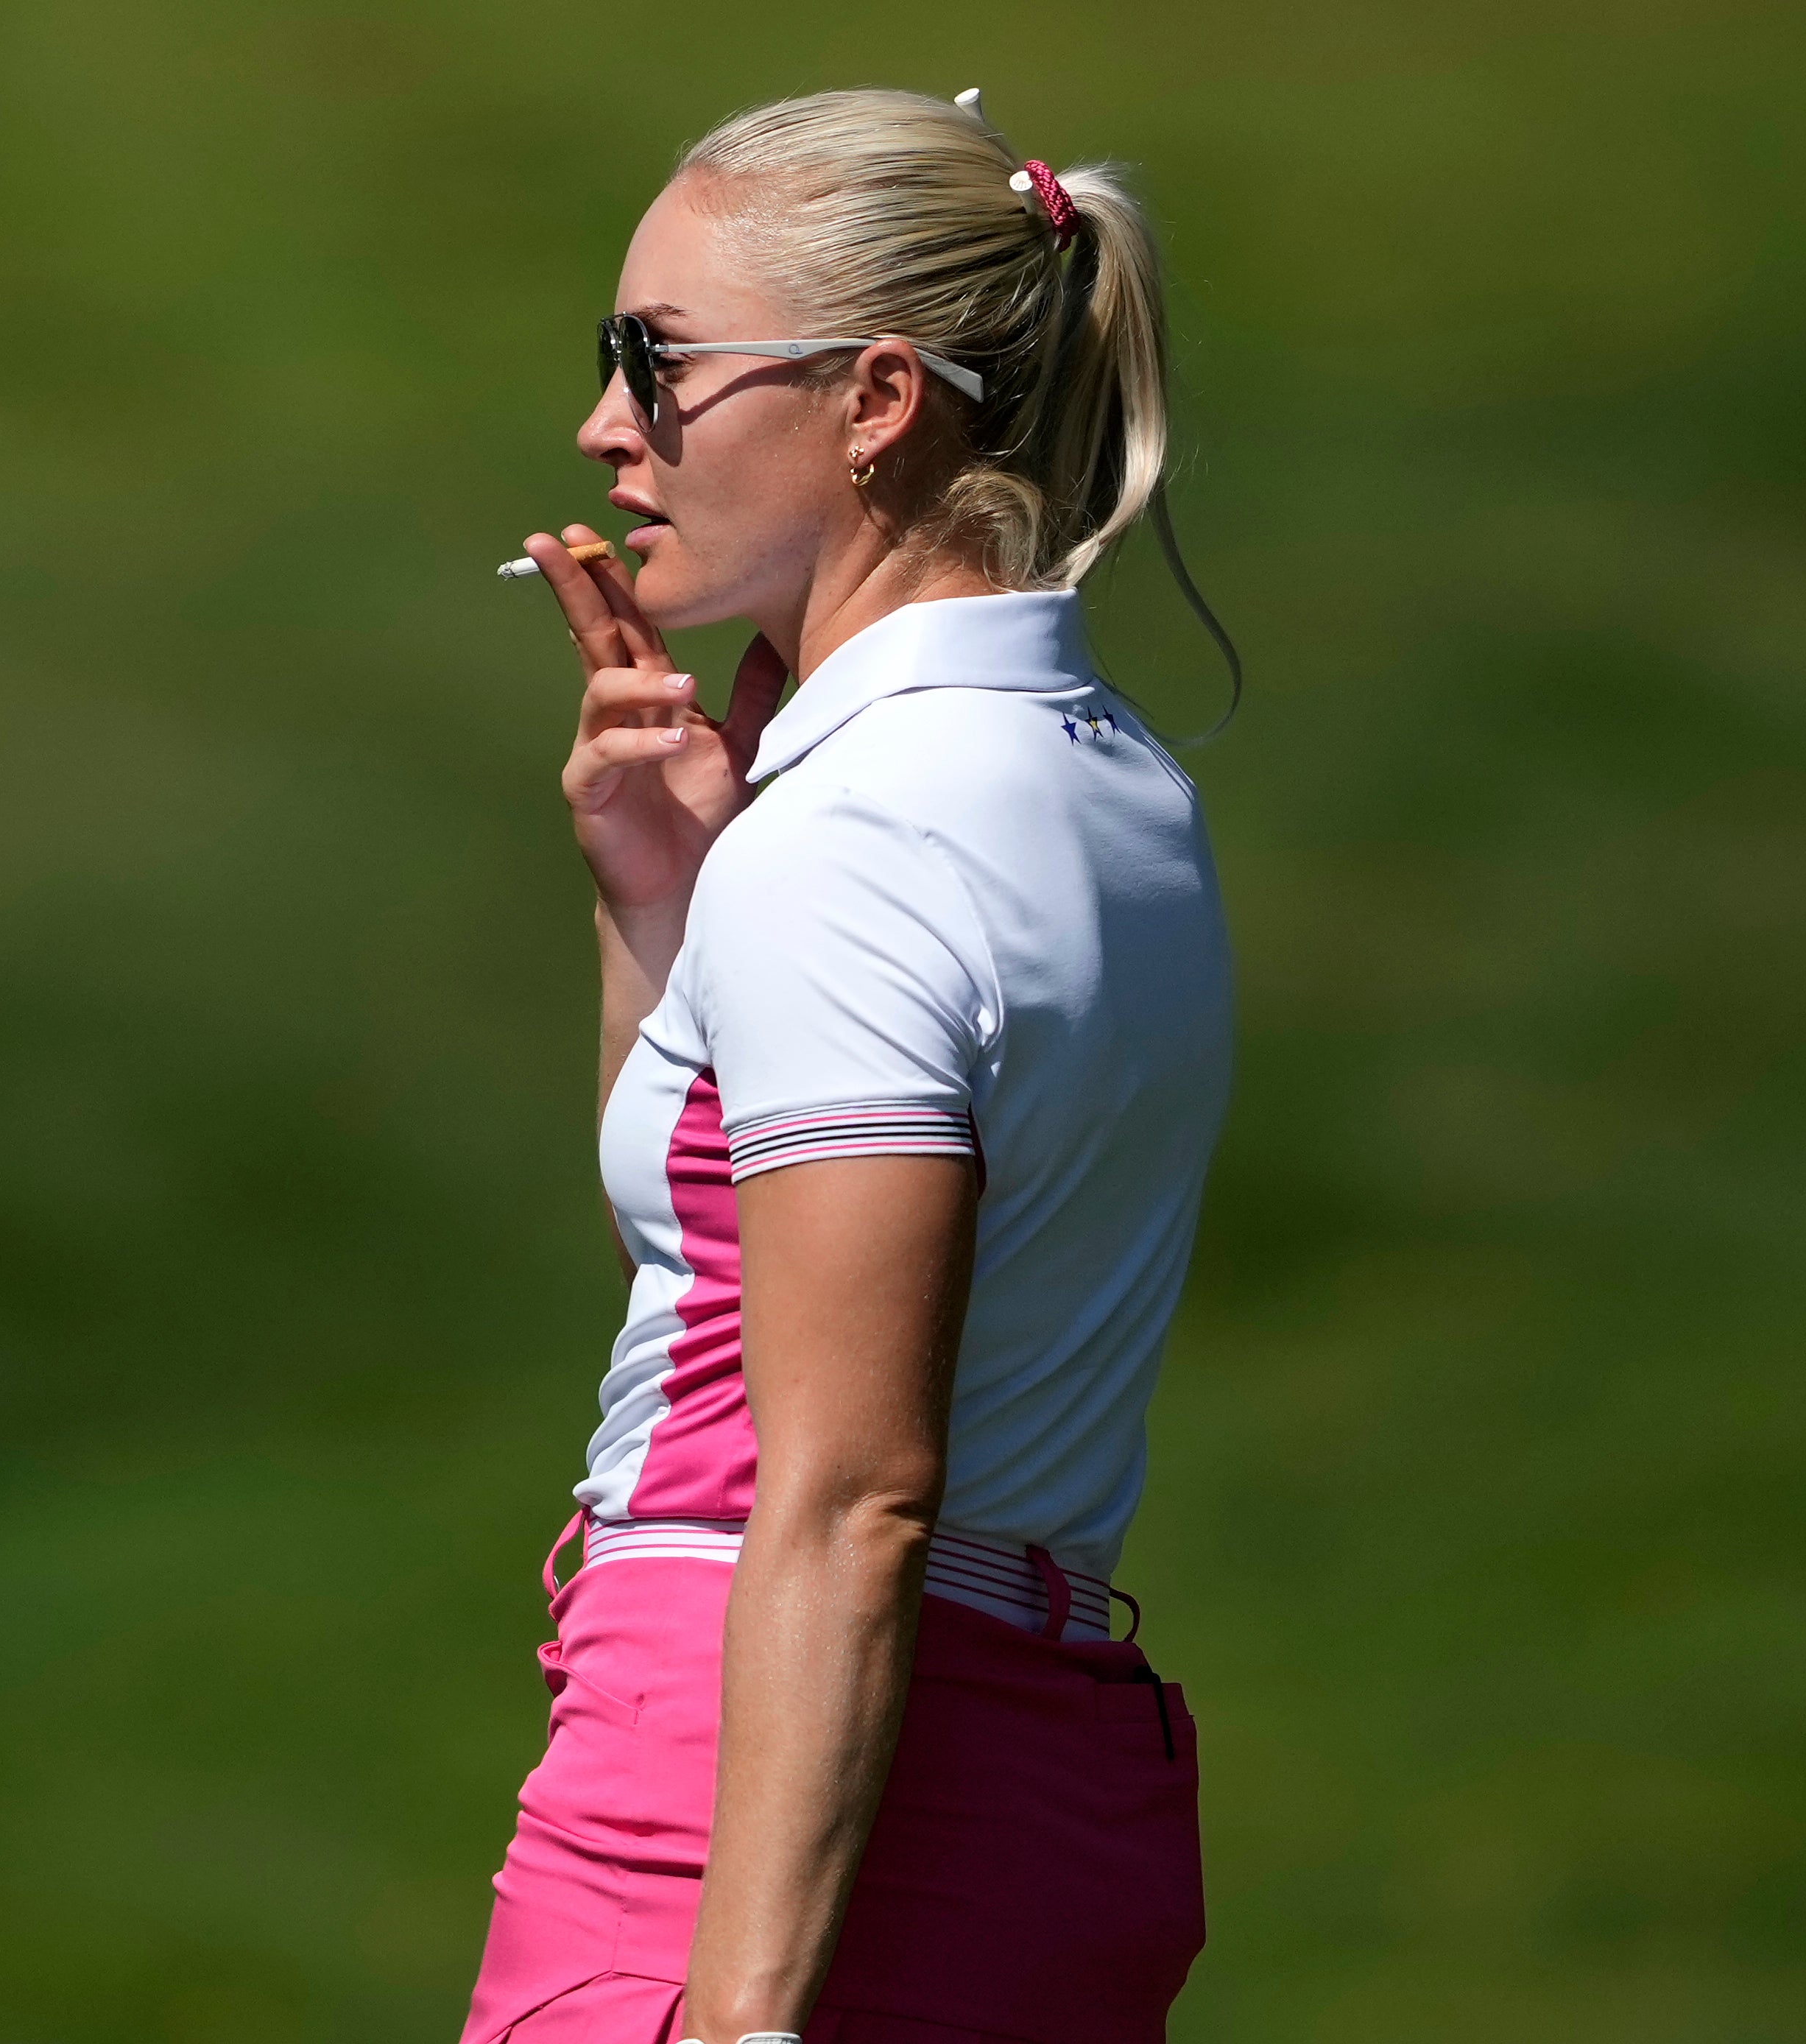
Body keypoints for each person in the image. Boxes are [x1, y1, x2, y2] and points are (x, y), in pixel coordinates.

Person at [463, 86, 1236, 2044]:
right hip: (1030, 1787)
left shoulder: (862, 839)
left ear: (881, 397)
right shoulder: (1110, 782)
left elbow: (850, 1493)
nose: (606, 426)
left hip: (747, 1807)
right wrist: (668, 901)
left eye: (662, 363)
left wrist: (737, 2025)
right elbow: (730, 1275)